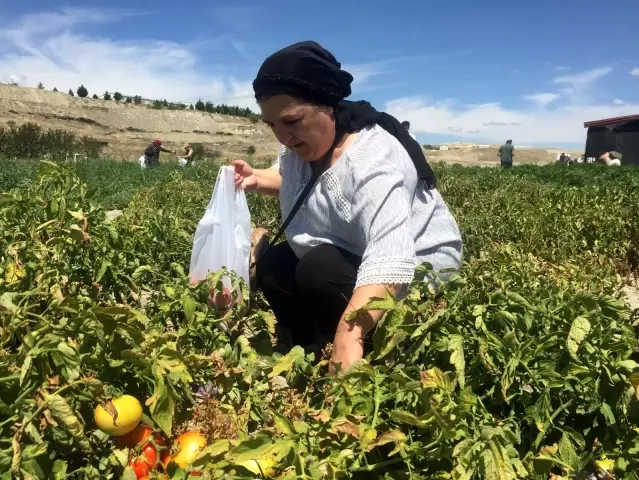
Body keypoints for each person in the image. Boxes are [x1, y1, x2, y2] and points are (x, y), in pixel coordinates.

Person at [231, 41, 463, 372]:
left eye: (292, 121)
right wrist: (255, 178)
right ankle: (310, 349)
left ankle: (362, 358)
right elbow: (289, 177)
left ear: (327, 107)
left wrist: (349, 334)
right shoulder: (301, 149)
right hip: (352, 250)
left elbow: (391, 257)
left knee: (318, 270)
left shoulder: (372, 158)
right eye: (272, 126)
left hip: (416, 268)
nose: (283, 137)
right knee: (276, 265)